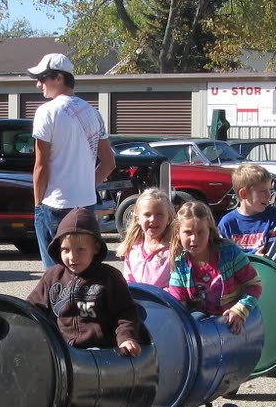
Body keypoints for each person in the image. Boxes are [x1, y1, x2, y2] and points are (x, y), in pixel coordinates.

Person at [29, 52, 114, 270]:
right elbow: (108, 162)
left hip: (54, 204)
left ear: (59, 77)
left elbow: (41, 164)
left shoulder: (46, 112)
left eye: (42, 78)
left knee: (56, 274)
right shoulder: (93, 113)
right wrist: (86, 185)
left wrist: (38, 205)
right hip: (86, 205)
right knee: (85, 271)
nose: (39, 85)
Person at [27, 208, 142, 356]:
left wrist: (126, 338)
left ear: (95, 248)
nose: (72, 257)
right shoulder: (53, 276)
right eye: (65, 250)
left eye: (80, 249)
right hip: (62, 348)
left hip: (100, 349)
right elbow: (32, 307)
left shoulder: (109, 277)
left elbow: (126, 312)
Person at [166, 199, 261, 334]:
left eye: (200, 232)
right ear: (178, 233)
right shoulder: (180, 264)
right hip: (204, 326)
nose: (194, 238)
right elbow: (178, 303)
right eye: (188, 232)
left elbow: (254, 285)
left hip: (232, 320)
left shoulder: (229, 252)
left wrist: (239, 310)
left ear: (210, 231)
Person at [217, 164, 276, 262]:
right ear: (244, 194)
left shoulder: (275, 218)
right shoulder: (227, 223)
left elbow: (273, 256)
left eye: (270, 190)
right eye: (263, 191)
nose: (268, 196)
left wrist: (244, 259)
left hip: (266, 274)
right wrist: (254, 257)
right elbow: (222, 258)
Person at [119, 187, 176, 287]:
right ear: (137, 218)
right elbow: (128, 282)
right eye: (147, 214)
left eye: (159, 215)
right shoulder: (132, 249)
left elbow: (177, 287)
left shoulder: (174, 250)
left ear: (169, 218)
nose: (153, 219)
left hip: (163, 301)